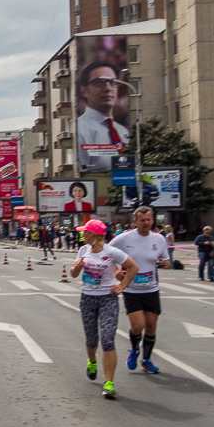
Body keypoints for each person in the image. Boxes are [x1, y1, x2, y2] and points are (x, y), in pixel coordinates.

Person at [70, 219, 138, 399]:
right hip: (87, 299)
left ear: (94, 235)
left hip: (108, 299)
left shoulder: (112, 252)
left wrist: (122, 285)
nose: (83, 235)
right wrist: (76, 268)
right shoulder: (83, 251)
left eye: (85, 232)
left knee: (108, 339)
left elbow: (133, 267)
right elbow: (74, 274)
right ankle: (92, 361)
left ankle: (109, 383)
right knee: (91, 340)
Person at [111, 206, 170, 375]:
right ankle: (134, 349)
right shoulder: (124, 239)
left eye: (148, 220)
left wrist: (166, 263)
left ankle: (146, 360)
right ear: (135, 221)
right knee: (138, 325)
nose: (146, 223)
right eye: (142, 220)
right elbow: (107, 253)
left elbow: (165, 259)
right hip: (132, 289)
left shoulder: (159, 239)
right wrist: (116, 270)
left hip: (151, 289)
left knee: (151, 326)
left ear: (153, 220)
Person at [76, 62, 130, 172]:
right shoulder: (79, 130)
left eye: (112, 82)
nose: (107, 88)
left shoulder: (122, 131)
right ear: (84, 91)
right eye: (98, 82)